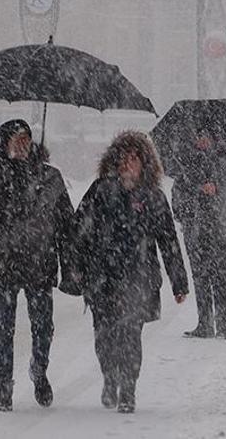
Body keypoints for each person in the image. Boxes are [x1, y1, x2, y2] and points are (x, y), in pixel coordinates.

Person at [72, 131, 189, 413]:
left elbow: (168, 241)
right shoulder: (100, 191)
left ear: (144, 163)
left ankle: (129, 389)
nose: (128, 164)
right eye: (123, 159)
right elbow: (78, 230)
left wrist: (179, 282)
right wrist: (76, 266)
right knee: (104, 337)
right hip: (102, 279)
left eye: (134, 159)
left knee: (130, 336)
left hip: (139, 278)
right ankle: (110, 378)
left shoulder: (154, 197)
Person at [0, 119, 74, 412]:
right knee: (4, 329)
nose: (21, 145)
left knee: (43, 327)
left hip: (40, 263)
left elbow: (66, 223)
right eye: (15, 140)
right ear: (4, 145)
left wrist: (70, 263)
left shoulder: (50, 178)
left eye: (26, 139)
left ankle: (39, 370)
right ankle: (3, 389)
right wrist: (2, 211)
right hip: (6, 263)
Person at [171, 126, 226, 340]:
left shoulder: (224, 164)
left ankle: (223, 326)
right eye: (198, 136)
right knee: (200, 277)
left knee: (218, 276)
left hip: (218, 229)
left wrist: (216, 189)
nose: (201, 140)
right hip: (194, 230)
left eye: (205, 136)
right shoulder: (185, 165)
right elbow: (178, 200)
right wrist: (197, 193)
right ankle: (205, 324)